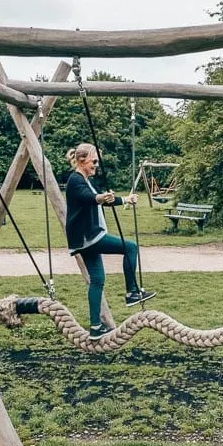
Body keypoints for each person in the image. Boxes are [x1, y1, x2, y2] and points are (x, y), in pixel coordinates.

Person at [65, 143, 155, 340]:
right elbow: (89, 198)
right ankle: (132, 292)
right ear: (82, 161)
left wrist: (125, 200)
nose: (96, 165)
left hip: (86, 239)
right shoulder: (75, 180)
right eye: (93, 161)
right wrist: (99, 197)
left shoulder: (86, 179)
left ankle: (96, 327)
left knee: (97, 281)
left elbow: (101, 199)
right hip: (88, 237)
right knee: (130, 247)